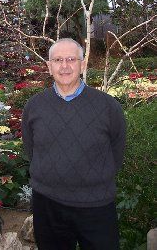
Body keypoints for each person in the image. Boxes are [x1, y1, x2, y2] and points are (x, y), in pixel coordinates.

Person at [21, 38, 126, 250]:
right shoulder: (34, 106)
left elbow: (117, 151)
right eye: (58, 60)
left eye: (71, 59)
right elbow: (31, 148)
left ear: (82, 64)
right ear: (49, 66)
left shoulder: (108, 107)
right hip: (47, 204)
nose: (65, 66)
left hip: (96, 206)